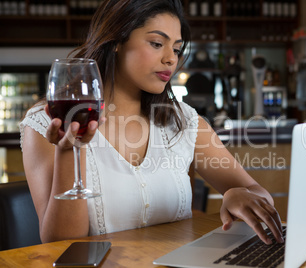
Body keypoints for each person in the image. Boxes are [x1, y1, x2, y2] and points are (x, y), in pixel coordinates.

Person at [20, 0, 284, 245]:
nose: (171, 59)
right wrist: (69, 150)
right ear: (116, 40)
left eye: (177, 49)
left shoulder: (184, 121)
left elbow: (258, 192)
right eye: (157, 43)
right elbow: (61, 244)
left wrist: (239, 195)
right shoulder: (45, 123)